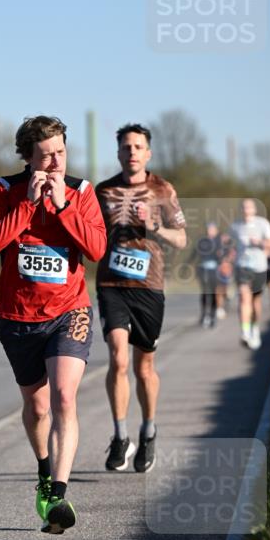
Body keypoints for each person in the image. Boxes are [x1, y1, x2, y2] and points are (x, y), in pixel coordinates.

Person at [0, 115, 106, 534]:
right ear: (28, 159)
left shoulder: (82, 191)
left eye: (60, 153)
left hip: (70, 311)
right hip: (17, 318)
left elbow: (97, 248)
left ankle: (59, 494)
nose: (54, 163)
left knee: (64, 398)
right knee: (36, 407)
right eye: (46, 155)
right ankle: (43, 473)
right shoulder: (5, 190)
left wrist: (63, 206)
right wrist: (27, 205)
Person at [95, 123, 187, 473]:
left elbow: (180, 239)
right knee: (117, 358)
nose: (131, 152)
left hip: (149, 286)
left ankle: (148, 431)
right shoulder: (103, 191)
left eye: (138, 147)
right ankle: (120, 436)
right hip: (111, 284)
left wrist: (155, 228)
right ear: (118, 153)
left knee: (143, 367)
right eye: (126, 147)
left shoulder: (162, 189)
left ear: (148, 153)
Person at [230, 199, 270, 350]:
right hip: (242, 266)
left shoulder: (263, 224)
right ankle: (245, 332)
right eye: (243, 207)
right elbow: (230, 246)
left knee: (256, 302)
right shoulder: (235, 227)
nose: (246, 209)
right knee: (244, 297)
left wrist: (260, 243)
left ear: (254, 210)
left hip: (259, 267)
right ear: (241, 210)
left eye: (249, 207)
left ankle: (255, 329)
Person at [193, 222, 222, 327]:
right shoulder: (202, 241)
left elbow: (221, 256)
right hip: (203, 269)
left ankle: (213, 315)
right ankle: (204, 314)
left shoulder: (219, 241)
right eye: (209, 229)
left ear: (216, 230)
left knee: (213, 293)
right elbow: (195, 253)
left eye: (212, 229)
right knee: (205, 292)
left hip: (214, 270)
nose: (210, 231)